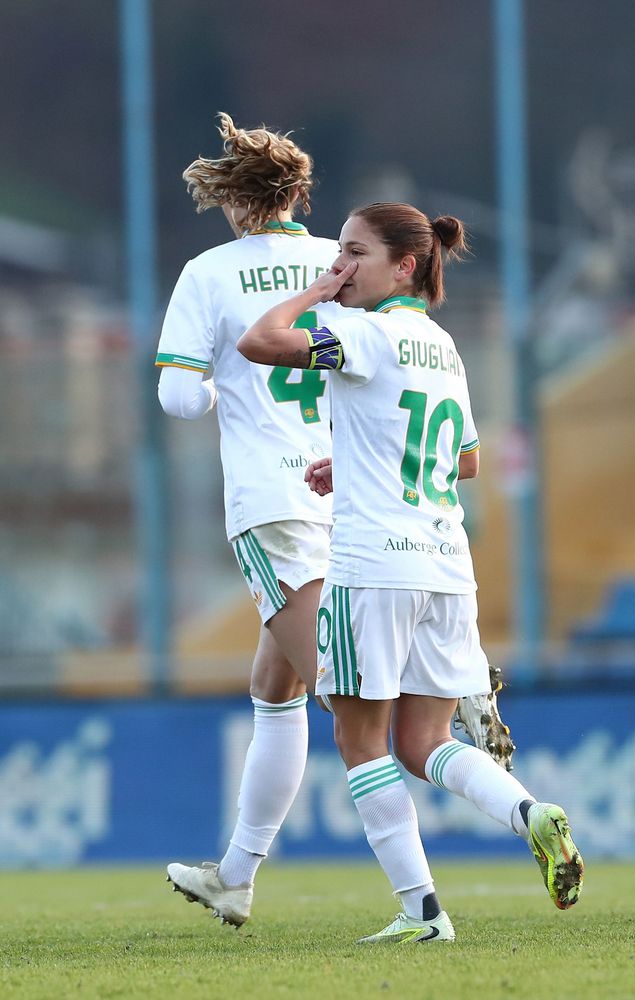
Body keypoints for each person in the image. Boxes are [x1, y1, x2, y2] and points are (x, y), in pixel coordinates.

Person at [237, 201, 584, 944]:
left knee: (359, 741)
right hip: (446, 565)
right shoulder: (442, 345)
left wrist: (317, 291)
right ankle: (532, 813)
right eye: (339, 254)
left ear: (405, 265)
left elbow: (259, 339)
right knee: (423, 743)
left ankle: (422, 912)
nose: (342, 265)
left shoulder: (360, 333)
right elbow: (466, 461)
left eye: (355, 253)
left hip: (374, 568)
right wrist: (362, 460)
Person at [156, 113, 346, 927]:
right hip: (352, 492)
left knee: (355, 699)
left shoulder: (208, 272)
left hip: (272, 503)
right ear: (300, 195)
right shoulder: (344, 262)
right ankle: (235, 875)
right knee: (278, 688)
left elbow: (177, 396)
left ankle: (491, 813)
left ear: (232, 202)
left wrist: (209, 391)